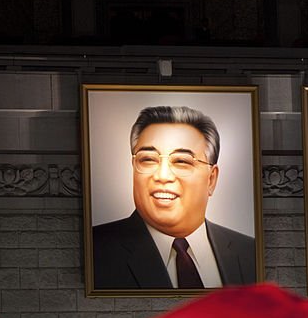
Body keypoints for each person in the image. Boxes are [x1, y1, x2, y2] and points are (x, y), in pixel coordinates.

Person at [92, 105, 255, 289]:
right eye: (148, 159)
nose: (162, 176)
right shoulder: (95, 251)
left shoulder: (250, 252)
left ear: (211, 179)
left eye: (181, 161)